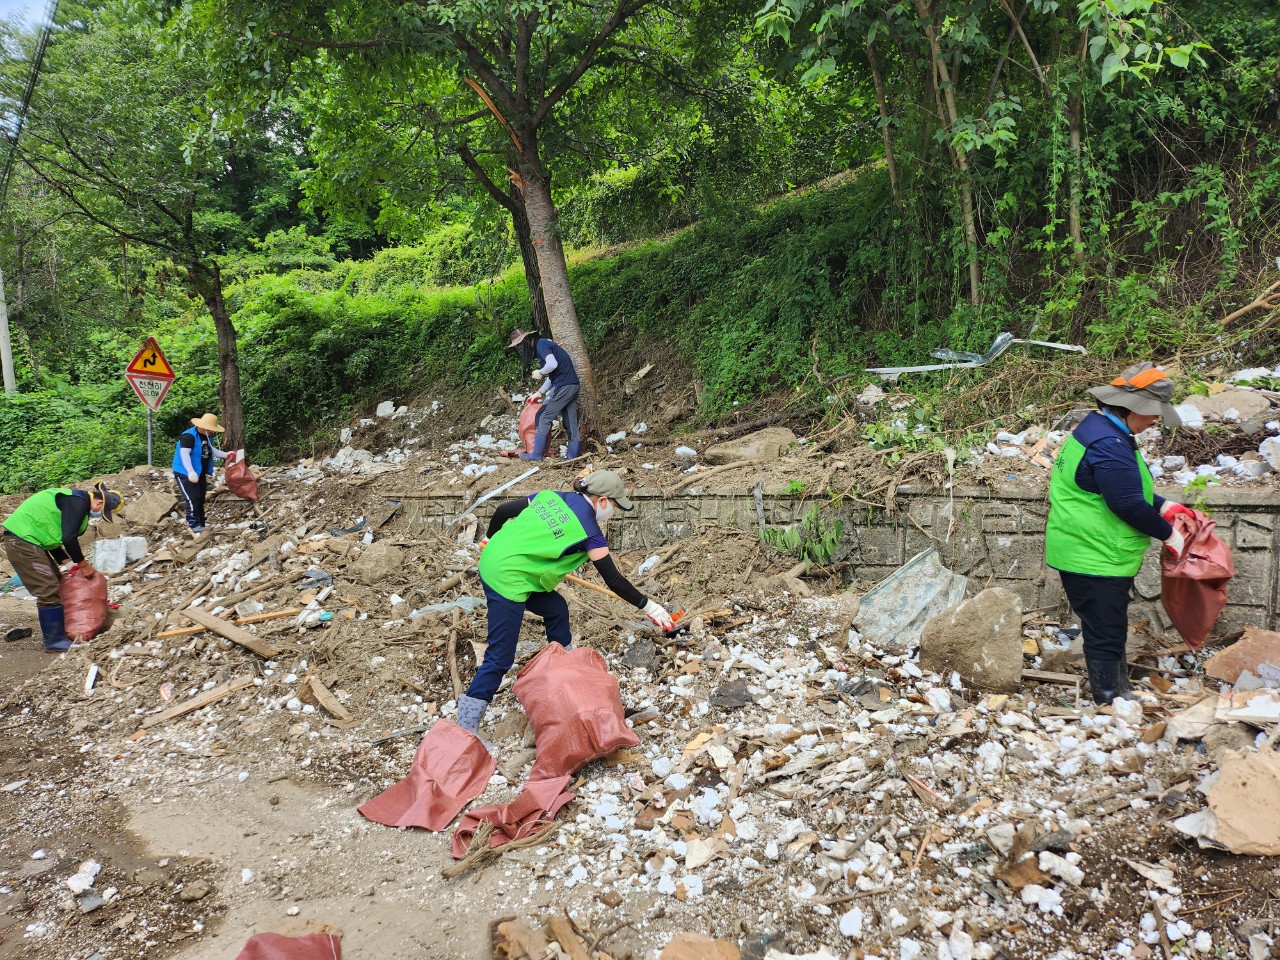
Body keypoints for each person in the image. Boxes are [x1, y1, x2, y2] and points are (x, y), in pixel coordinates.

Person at [457, 469, 674, 740]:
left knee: (556, 607)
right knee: (501, 656)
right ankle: (466, 726)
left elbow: (502, 510)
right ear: (601, 500)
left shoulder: (551, 497)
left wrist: (490, 539)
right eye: (614, 505)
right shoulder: (589, 531)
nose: (613, 511)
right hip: (507, 578)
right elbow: (614, 580)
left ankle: (565, 674)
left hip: (500, 562)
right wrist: (649, 606)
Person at [1045, 363, 1193, 705]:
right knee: (1105, 630)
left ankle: (1118, 691)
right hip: (1095, 554)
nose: (1155, 420)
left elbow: (1114, 487)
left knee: (1105, 625)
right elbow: (1125, 503)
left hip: (1085, 548)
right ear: (1131, 408)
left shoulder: (1095, 429)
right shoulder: (1109, 443)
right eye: (1153, 413)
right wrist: (1169, 534)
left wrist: (1162, 505)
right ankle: (1110, 698)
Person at [1, 481, 124, 652]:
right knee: (48, 587)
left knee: (56, 582)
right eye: (100, 511)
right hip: (22, 541)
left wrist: (69, 564)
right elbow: (69, 539)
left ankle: (60, 633)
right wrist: (84, 565)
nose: (97, 513)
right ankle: (54, 641)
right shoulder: (79, 502)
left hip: (30, 541)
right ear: (100, 502)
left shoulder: (74, 500)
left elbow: (51, 538)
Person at [506, 327, 582, 461]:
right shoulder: (545, 343)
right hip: (572, 385)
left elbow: (552, 364)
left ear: (527, 340)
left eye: (520, 345)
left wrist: (540, 372)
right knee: (570, 422)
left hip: (563, 386)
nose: (520, 349)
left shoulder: (541, 344)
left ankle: (536, 455)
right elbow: (553, 374)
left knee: (543, 416)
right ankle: (572, 456)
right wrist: (539, 392)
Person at [173, 413, 228, 533]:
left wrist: (227, 455)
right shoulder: (189, 436)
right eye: (211, 429)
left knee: (200, 498)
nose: (213, 432)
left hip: (200, 472)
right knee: (192, 498)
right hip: (185, 472)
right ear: (204, 427)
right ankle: (193, 525)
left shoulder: (207, 437)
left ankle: (201, 523)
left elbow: (210, 450)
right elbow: (184, 454)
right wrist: (190, 472)